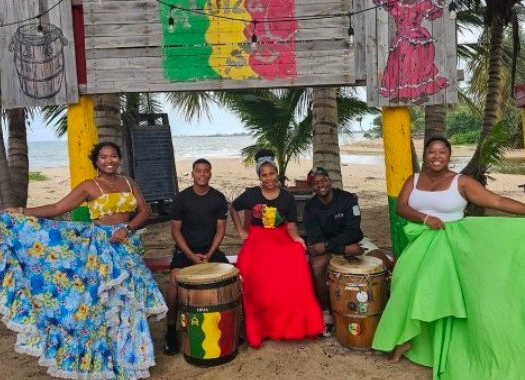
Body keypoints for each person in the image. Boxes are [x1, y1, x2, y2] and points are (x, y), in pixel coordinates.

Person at [371, 137, 525, 380]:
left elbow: (496, 201)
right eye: (431, 151)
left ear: (449, 156)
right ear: (425, 155)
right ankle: (406, 339)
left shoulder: (461, 182)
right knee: (403, 284)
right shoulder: (414, 179)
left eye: (442, 151)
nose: (437, 156)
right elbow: (401, 207)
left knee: (435, 292)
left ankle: (423, 343)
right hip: (421, 242)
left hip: (452, 246)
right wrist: (425, 219)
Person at [0, 141, 167, 380]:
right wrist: (21, 211)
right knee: (103, 306)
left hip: (128, 247)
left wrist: (128, 229)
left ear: (119, 159)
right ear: (96, 161)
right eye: (103, 157)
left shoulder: (129, 183)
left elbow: (144, 210)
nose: (109, 161)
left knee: (131, 302)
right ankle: (106, 365)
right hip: (101, 248)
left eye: (113, 156)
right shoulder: (90, 186)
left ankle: (131, 362)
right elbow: (58, 207)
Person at [230, 149, 324, 348]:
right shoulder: (251, 194)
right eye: (264, 175)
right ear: (259, 176)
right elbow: (233, 207)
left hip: (280, 238)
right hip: (257, 240)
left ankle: (290, 326)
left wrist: (298, 239)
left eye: (271, 173)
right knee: (250, 273)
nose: (268, 178)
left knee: (295, 266)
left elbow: (291, 226)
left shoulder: (287, 197)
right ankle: (260, 329)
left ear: (277, 173)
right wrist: (240, 231)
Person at [304, 166, 393, 336]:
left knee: (384, 262)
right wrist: (343, 249)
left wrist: (334, 245)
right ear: (312, 187)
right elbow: (316, 241)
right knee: (317, 267)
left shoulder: (347, 199)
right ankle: (326, 313)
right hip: (332, 247)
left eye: (323, 180)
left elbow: (353, 231)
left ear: (330, 181)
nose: (320, 185)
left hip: (354, 242)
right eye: (315, 183)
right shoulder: (310, 208)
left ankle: (385, 306)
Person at [164, 158, 229, 355]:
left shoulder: (218, 198)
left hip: (211, 251)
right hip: (185, 251)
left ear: (210, 173)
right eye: (198, 171)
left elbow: (221, 229)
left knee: (233, 279)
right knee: (174, 285)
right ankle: (170, 331)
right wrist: (191, 256)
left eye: (206, 171)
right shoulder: (181, 199)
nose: (202, 174)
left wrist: (209, 254)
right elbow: (176, 231)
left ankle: (230, 326)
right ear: (192, 174)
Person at [362, 0, 448, 103]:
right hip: (401, 40)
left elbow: (432, 13)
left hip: (416, 41)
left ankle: (419, 94)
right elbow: (381, 0)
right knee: (397, 65)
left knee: (413, 67)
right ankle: (401, 93)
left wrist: (438, 3)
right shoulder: (396, 2)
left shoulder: (421, 4)